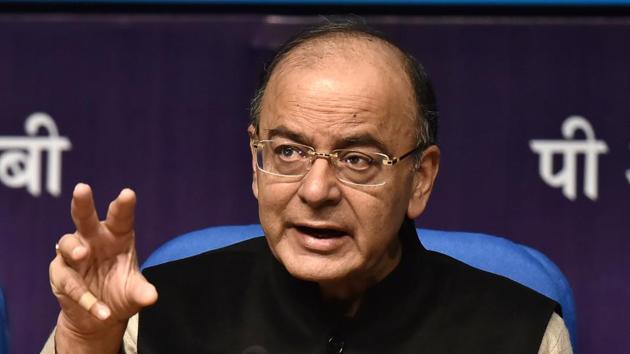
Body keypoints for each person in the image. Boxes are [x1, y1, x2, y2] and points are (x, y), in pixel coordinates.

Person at [43, 20, 572, 353]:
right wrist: (87, 339)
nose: (316, 189)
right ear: (256, 163)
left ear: (420, 178)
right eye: (289, 152)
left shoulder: (519, 334)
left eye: (358, 159)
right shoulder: (159, 315)